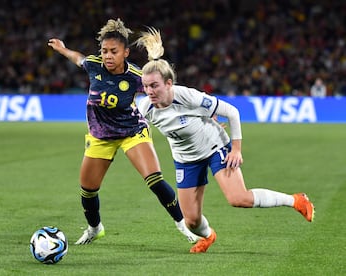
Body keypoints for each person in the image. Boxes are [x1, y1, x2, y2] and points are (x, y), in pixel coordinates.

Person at [136, 27, 315, 253]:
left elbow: (232, 112)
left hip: (214, 147)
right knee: (191, 221)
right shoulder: (145, 108)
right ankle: (209, 236)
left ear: (169, 84)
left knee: (238, 198)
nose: (149, 91)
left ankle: (296, 200)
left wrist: (236, 149)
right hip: (185, 159)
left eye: (154, 85)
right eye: (145, 86)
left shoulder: (188, 97)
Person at [47, 19, 200, 246]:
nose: (108, 56)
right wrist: (62, 49)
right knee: (88, 190)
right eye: (104, 51)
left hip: (132, 132)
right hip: (100, 136)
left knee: (155, 179)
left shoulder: (136, 76)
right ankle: (94, 228)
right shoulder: (94, 65)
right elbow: (78, 58)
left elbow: (168, 91)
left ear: (125, 52)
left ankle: (184, 225)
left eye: (113, 52)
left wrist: (202, 109)